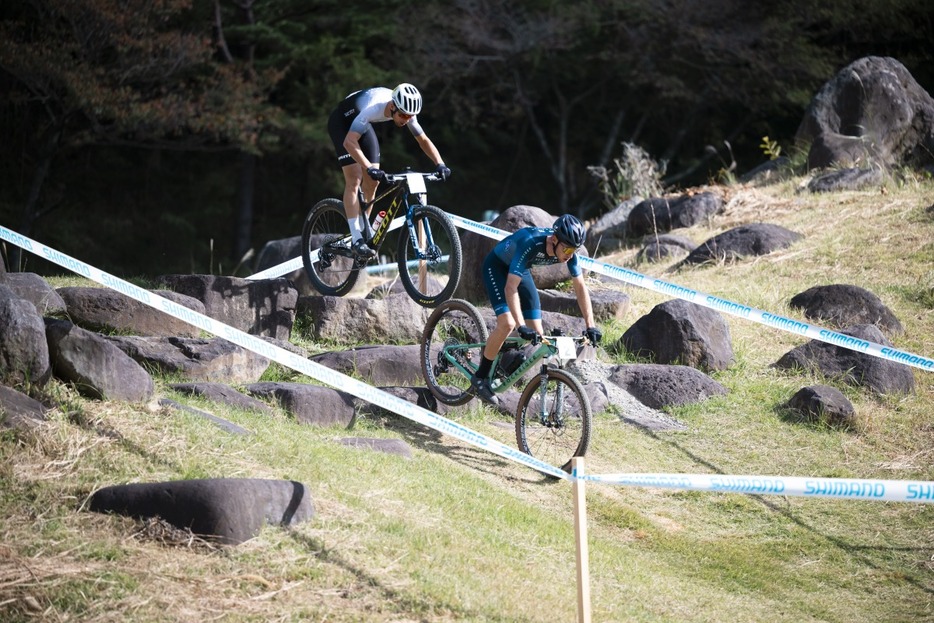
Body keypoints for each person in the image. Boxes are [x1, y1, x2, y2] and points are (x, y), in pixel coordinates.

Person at [470, 214, 603, 405]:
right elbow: (510, 288)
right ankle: (481, 377)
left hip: (520, 269)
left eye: (574, 250)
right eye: (567, 249)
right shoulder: (530, 243)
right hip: (497, 267)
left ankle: (504, 360)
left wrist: (591, 325)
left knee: (538, 335)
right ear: (554, 239)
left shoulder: (568, 251)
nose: (569, 255)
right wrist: (520, 324)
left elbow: (580, 288)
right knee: (508, 323)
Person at [327, 83, 451, 258]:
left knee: (373, 181)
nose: (406, 120)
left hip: (361, 123)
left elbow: (423, 140)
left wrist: (440, 163)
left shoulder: (405, 111)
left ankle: (363, 230)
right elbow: (349, 142)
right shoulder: (373, 108)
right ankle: (356, 239)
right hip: (342, 123)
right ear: (392, 106)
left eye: (410, 116)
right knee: (355, 178)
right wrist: (368, 167)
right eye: (403, 115)